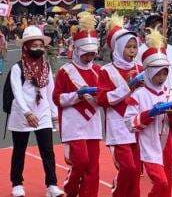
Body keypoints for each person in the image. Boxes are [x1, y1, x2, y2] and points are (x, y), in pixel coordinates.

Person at [124, 28, 172, 197]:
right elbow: (129, 123)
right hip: (147, 147)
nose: (162, 77)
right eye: (158, 73)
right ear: (148, 71)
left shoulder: (170, 94)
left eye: (165, 72)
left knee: (167, 189)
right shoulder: (138, 94)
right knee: (161, 182)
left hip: (166, 147)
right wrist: (150, 114)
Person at [7, 26, 63, 197]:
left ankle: (52, 185)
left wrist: (55, 115)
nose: (39, 48)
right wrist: (27, 112)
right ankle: (17, 184)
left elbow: (50, 92)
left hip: (43, 113)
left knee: (47, 150)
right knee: (19, 150)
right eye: (34, 45)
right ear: (26, 46)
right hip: (22, 114)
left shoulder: (46, 66)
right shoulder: (17, 68)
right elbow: (17, 92)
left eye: (41, 45)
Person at [53, 12, 102, 197]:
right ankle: (71, 190)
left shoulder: (99, 71)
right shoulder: (66, 71)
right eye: (86, 53)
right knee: (80, 162)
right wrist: (77, 96)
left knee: (93, 166)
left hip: (93, 124)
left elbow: (104, 97)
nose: (89, 57)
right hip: (74, 123)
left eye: (92, 53)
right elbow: (57, 98)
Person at [96, 14, 142, 197]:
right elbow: (102, 99)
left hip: (138, 125)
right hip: (118, 127)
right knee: (129, 169)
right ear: (118, 48)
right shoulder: (106, 71)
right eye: (128, 47)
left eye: (134, 46)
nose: (132, 50)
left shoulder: (140, 68)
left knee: (136, 171)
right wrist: (128, 87)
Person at [137, 14, 172, 180]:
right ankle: (143, 162)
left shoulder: (171, 50)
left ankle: (171, 166)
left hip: (168, 95)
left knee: (170, 134)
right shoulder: (140, 50)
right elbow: (138, 74)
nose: (161, 30)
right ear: (147, 30)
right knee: (147, 132)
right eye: (157, 27)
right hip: (148, 96)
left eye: (163, 27)